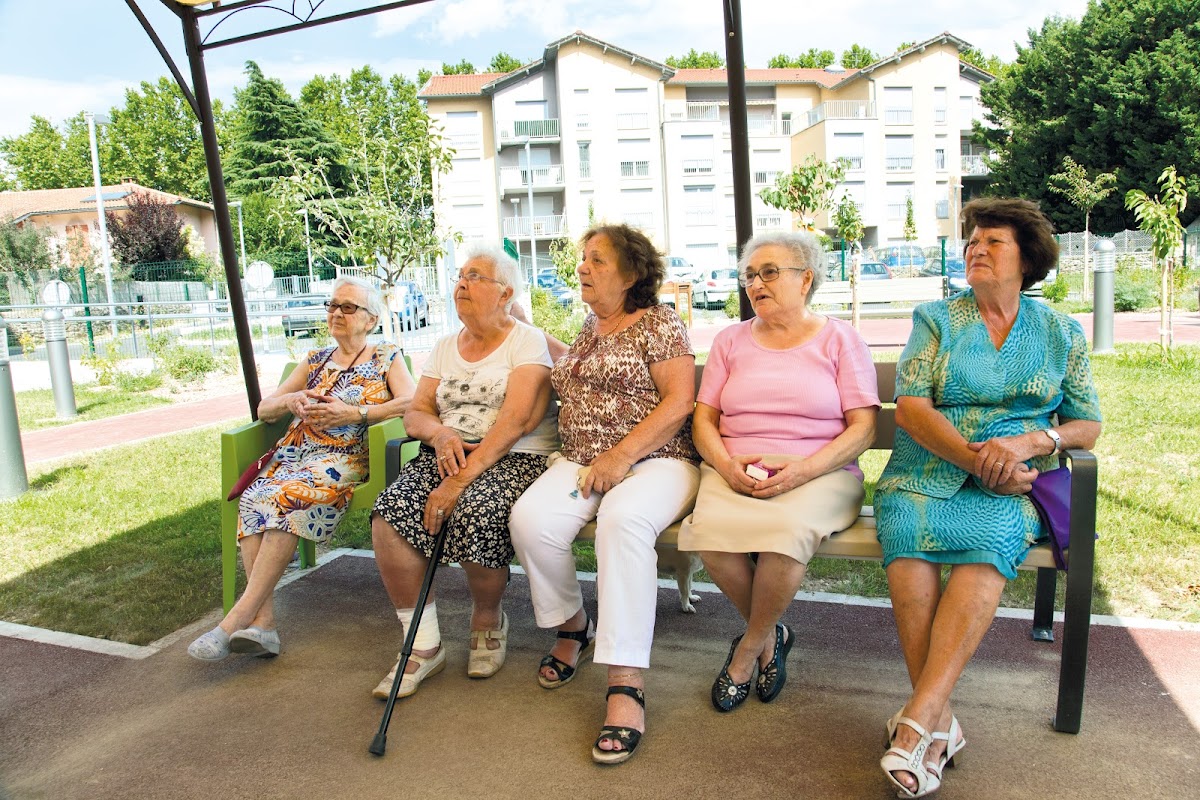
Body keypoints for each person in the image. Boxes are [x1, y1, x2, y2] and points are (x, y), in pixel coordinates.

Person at [875, 198, 1102, 798]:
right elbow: (914, 408)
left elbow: (1087, 425)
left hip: (1013, 480)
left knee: (993, 538)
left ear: (1026, 259)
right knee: (909, 544)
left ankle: (917, 722)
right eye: (972, 240)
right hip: (927, 469)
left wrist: (1033, 441)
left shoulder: (1060, 332)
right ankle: (936, 722)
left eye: (992, 241)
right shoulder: (936, 319)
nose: (976, 248)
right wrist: (979, 460)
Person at [509, 224, 699, 765]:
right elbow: (580, 364)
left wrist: (620, 457)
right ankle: (574, 625)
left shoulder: (660, 324)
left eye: (597, 259)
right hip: (582, 461)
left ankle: (625, 682)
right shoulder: (592, 327)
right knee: (531, 521)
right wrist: (529, 330)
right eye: (582, 259)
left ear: (633, 272)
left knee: (622, 523)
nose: (582, 268)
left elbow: (679, 400)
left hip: (658, 460)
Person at [679, 231, 880, 713]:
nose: (756, 283)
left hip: (821, 472)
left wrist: (804, 470)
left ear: (805, 278)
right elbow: (703, 419)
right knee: (710, 534)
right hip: (736, 470)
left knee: (785, 533)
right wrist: (725, 466)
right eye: (749, 275)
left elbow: (864, 428)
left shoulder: (840, 340)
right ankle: (772, 636)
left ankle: (749, 650)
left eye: (770, 272)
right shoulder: (730, 340)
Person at [189, 277, 415, 661]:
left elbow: (412, 402)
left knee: (288, 496)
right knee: (256, 495)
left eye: (347, 307)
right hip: (294, 455)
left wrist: (355, 412)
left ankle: (239, 618)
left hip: (344, 459)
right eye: (332, 306)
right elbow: (264, 409)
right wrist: (292, 399)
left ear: (371, 320)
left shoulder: (386, 357)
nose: (336, 313)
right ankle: (264, 624)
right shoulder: (314, 360)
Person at [370, 246, 557, 699]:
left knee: (477, 508)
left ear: (505, 293)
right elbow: (416, 412)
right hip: (449, 453)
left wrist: (457, 481)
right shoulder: (442, 347)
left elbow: (514, 423)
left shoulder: (526, 341)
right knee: (389, 514)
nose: (461, 284)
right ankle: (423, 643)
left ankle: (488, 619)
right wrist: (439, 436)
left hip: (513, 456)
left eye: (474, 276)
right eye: (459, 276)